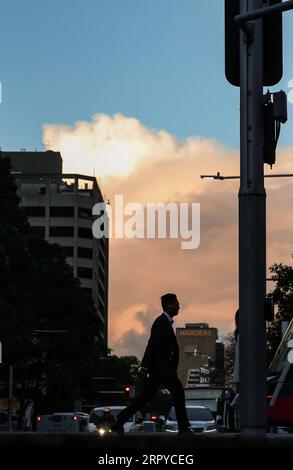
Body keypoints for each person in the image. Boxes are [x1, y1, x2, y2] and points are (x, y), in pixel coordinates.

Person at [111, 293, 192, 435]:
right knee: (178, 393)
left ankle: (119, 421)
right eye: (176, 303)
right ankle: (184, 428)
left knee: (144, 397)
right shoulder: (161, 323)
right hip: (162, 370)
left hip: (161, 370)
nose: (179, 306)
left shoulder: (164, 323)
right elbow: (152, 345)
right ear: (169, 305)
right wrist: (144, 366)